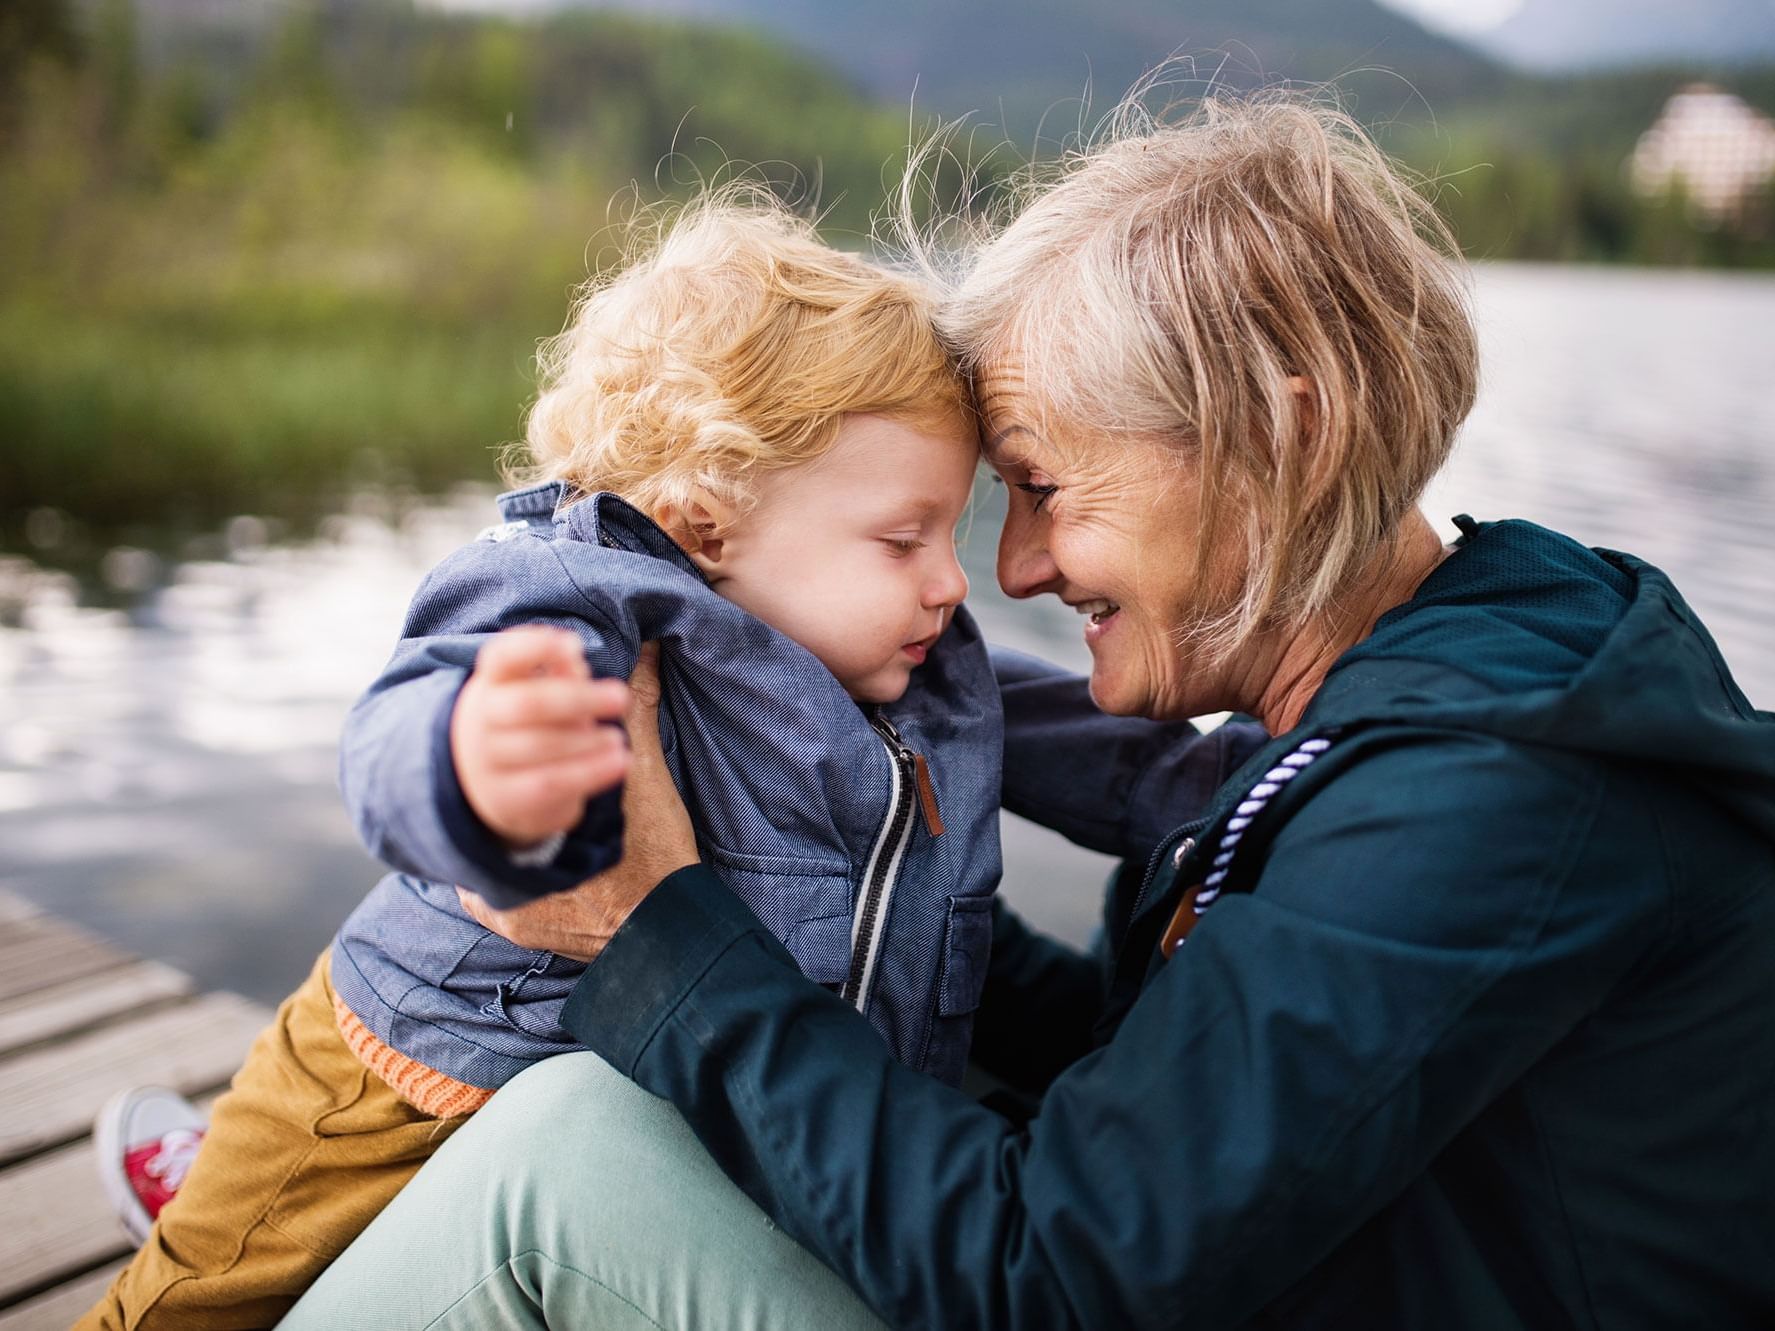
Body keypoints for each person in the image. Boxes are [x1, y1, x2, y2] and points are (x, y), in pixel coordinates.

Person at [279, 92, 1775, 1330]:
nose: (1014, 565)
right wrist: (831, 893)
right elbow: (1180, 1082)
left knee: (563, 1156)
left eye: (1046, 489)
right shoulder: (1442, 684)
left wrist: (657, 924)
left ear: (1281, 434)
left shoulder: (1490, 797)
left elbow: (1056, 1272)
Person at [80, 194, 1261, 1331]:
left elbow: (1118, 761)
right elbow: (407, 717)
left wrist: (1276, 778)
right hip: (401, 1091)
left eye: (942, 534)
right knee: (210, 1288)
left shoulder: (918, 660)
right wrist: (473, 769)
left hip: (692, 1123)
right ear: (709, 524)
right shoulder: (585, 599)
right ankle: (203, 1198)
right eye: (903, 539)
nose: (951, 581)